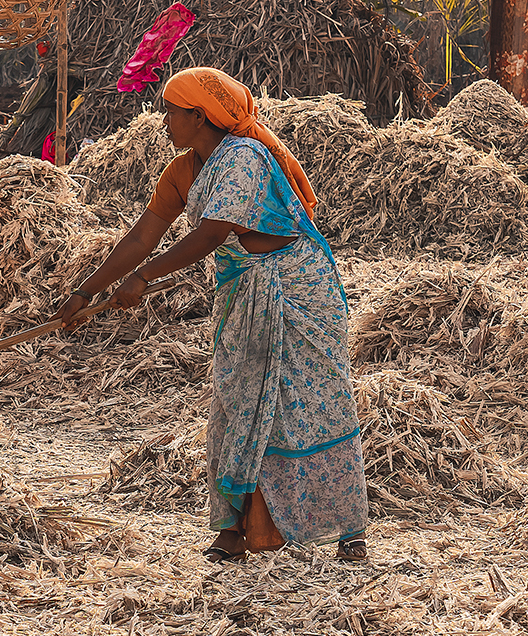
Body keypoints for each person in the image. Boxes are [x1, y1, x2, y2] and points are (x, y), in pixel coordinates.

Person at [58, 68, 367, 563]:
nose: (163, 123)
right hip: (245, 292)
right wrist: (84, 291)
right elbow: (142, 237)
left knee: (313, 403)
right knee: (237, 400)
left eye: (171, 112)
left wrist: (142, 280)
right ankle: (233, 530)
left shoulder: (244, 158)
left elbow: (209, 235)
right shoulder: (183, 170)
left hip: (299, 290)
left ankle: (344, 526)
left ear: (199, 116)